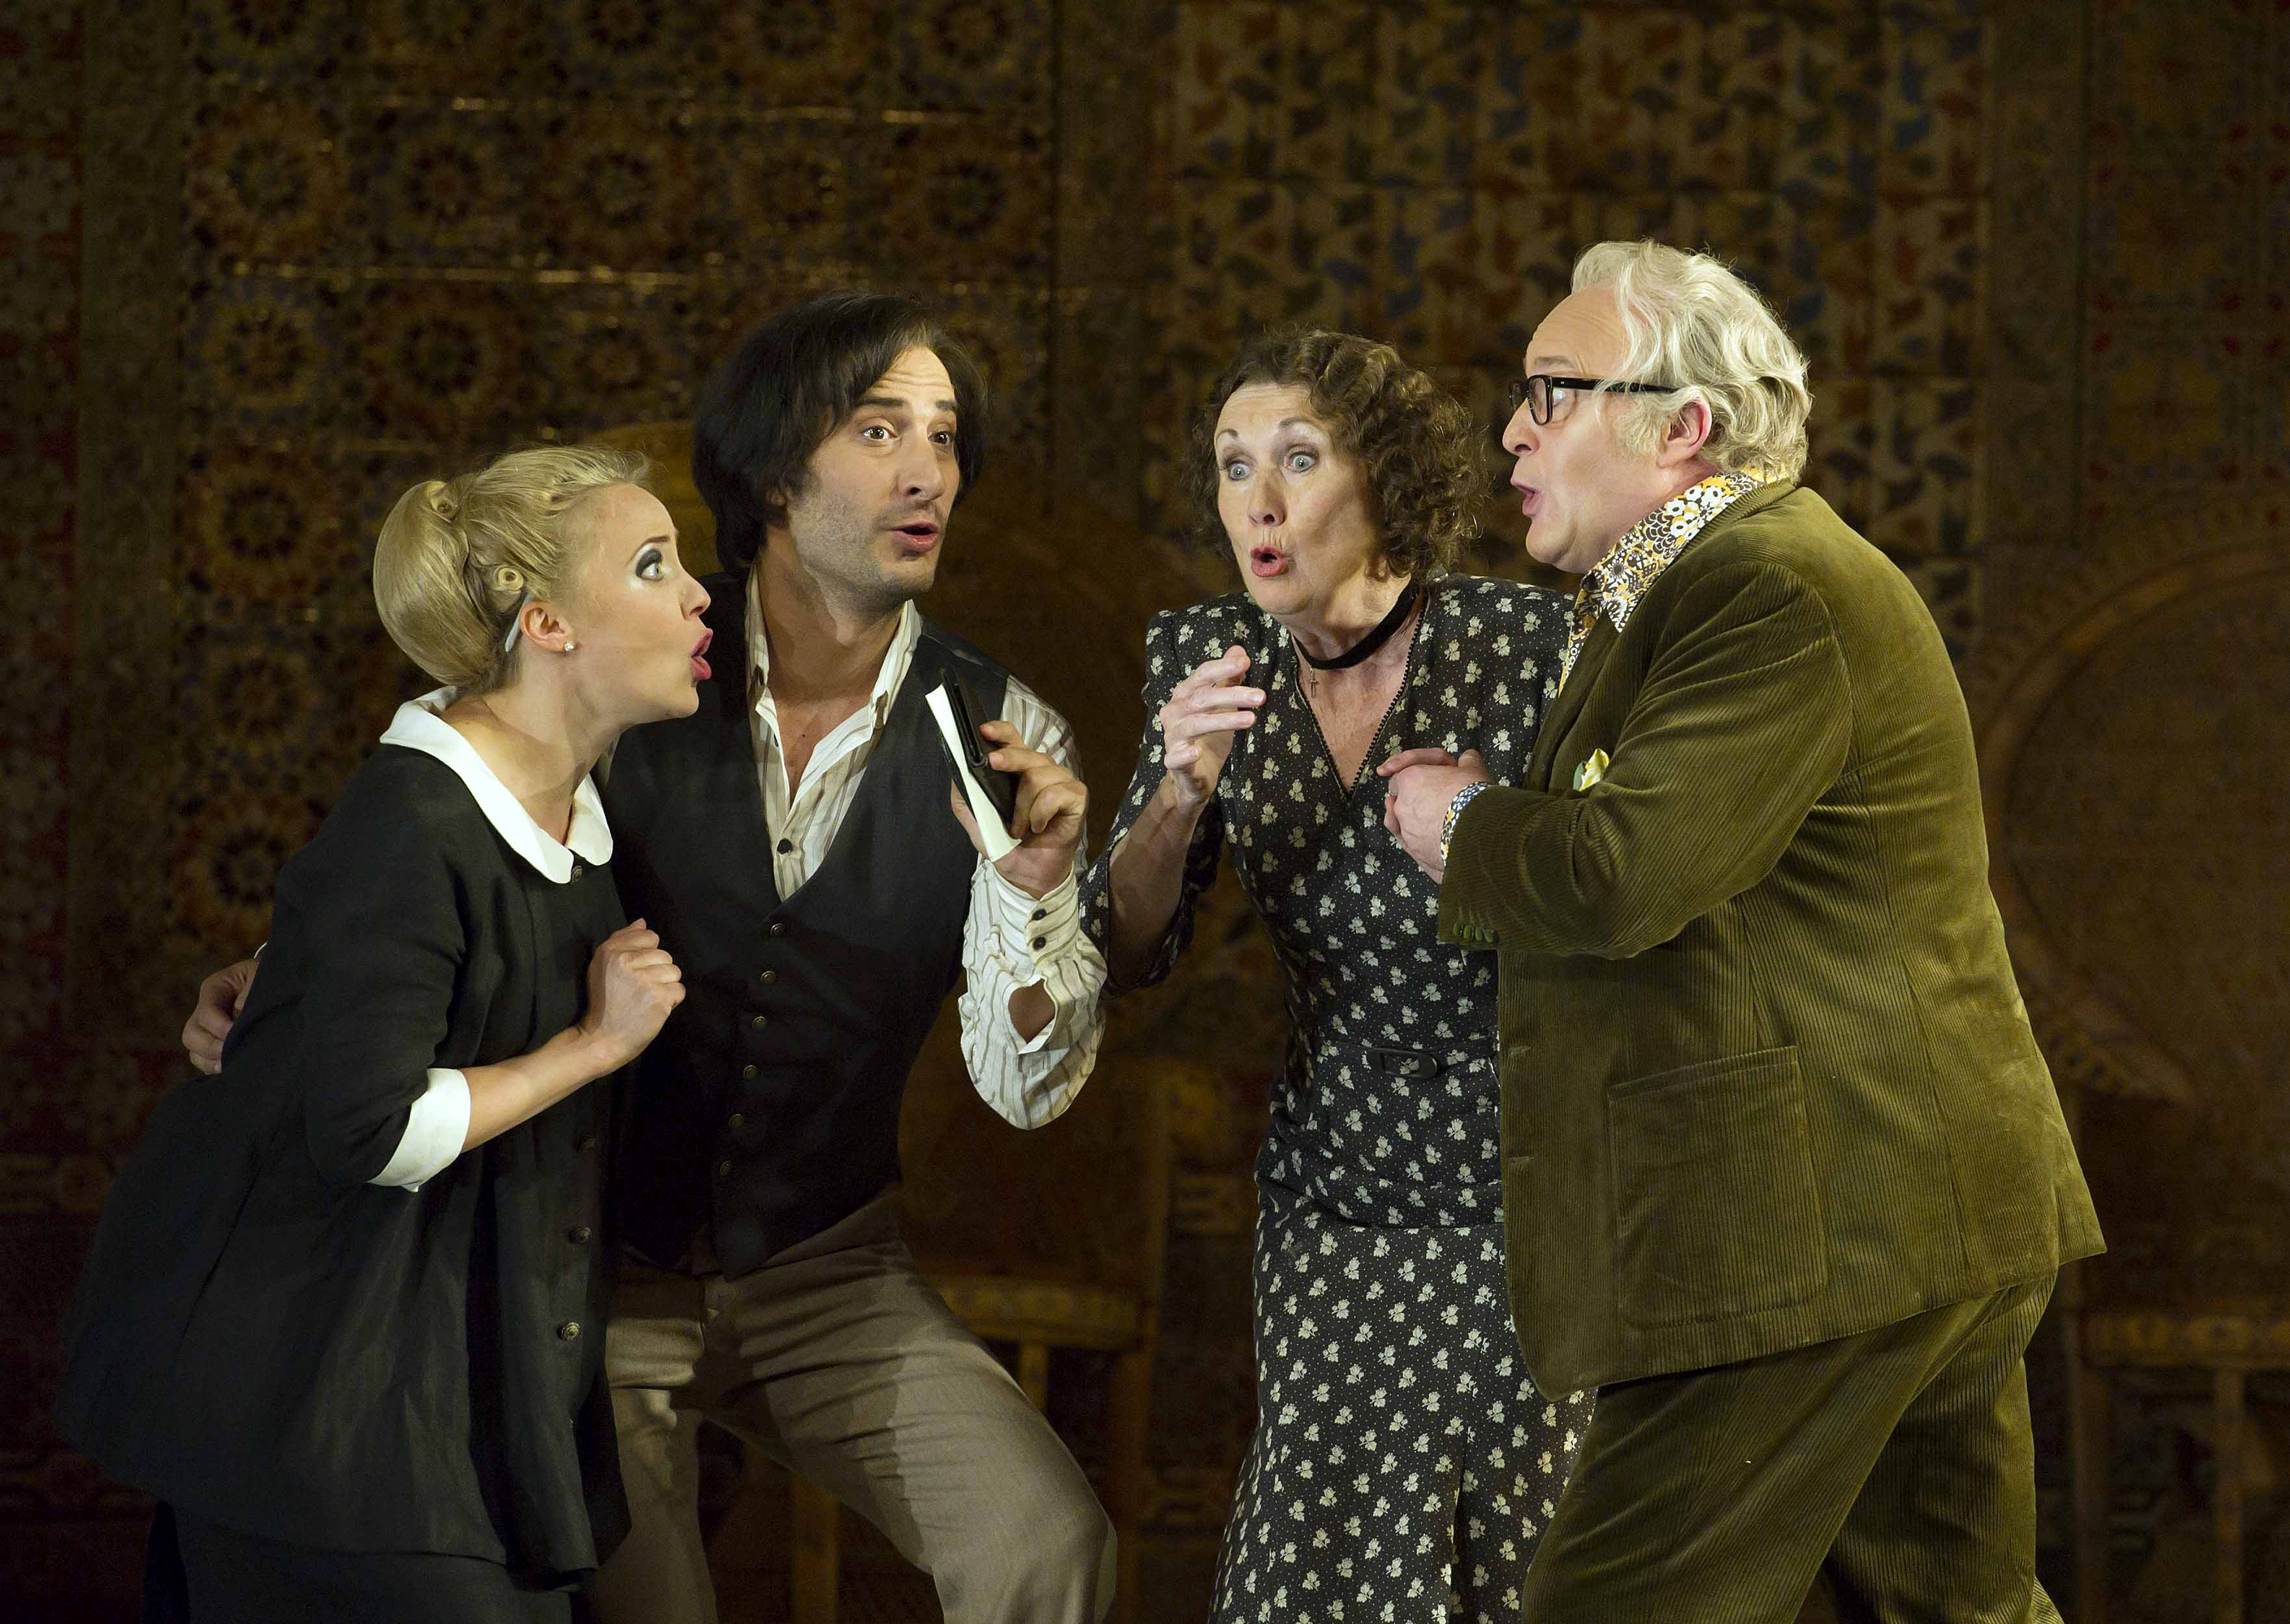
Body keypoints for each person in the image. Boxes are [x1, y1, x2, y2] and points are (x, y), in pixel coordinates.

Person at [183, 292, 1117, 1624]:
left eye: (946, 438)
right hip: (598, 1271)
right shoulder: (641, 661)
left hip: (828, 1269)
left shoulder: (1004, 728)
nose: (928, 473)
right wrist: (292, 973)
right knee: (640, 1604)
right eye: (877, 430)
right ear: (778, 474)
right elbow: (462, 835)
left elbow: (1026, 1090)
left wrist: (1032, 895)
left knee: (1044, 1541)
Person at [1382, 240, 2104, 1622]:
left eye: (1553, 390)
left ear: (1681, 424)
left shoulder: (1760, 581)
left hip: (1809, 1234)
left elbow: (1624, 873)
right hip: (1898, 1215)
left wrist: (1462, 824)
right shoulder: (1679, 598)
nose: (1513, 429)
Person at [61, 444, 704, 1620]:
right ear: (549, 623)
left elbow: (412, 963)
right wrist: (593, 1048)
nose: (697, 595)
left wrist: (286, 975)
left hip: (460, 1370)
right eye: (655, 566)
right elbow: (372, 1126)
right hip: (315, 1389)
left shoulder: (585, 798)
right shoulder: (414, 819)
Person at [1084, 327, 1593, 1624]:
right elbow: (1128, 950)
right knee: (1307, 1568)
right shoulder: (1203, 660)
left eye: (1297, 461)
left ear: (1384, 484)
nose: (1255, 500)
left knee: (1510, 1566)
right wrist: (1177, 793)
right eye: (1231, 464)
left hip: (1523, 1185)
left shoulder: (1532, 647)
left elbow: (1620, 902)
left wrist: (1485, 848)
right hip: (1333, 1183)